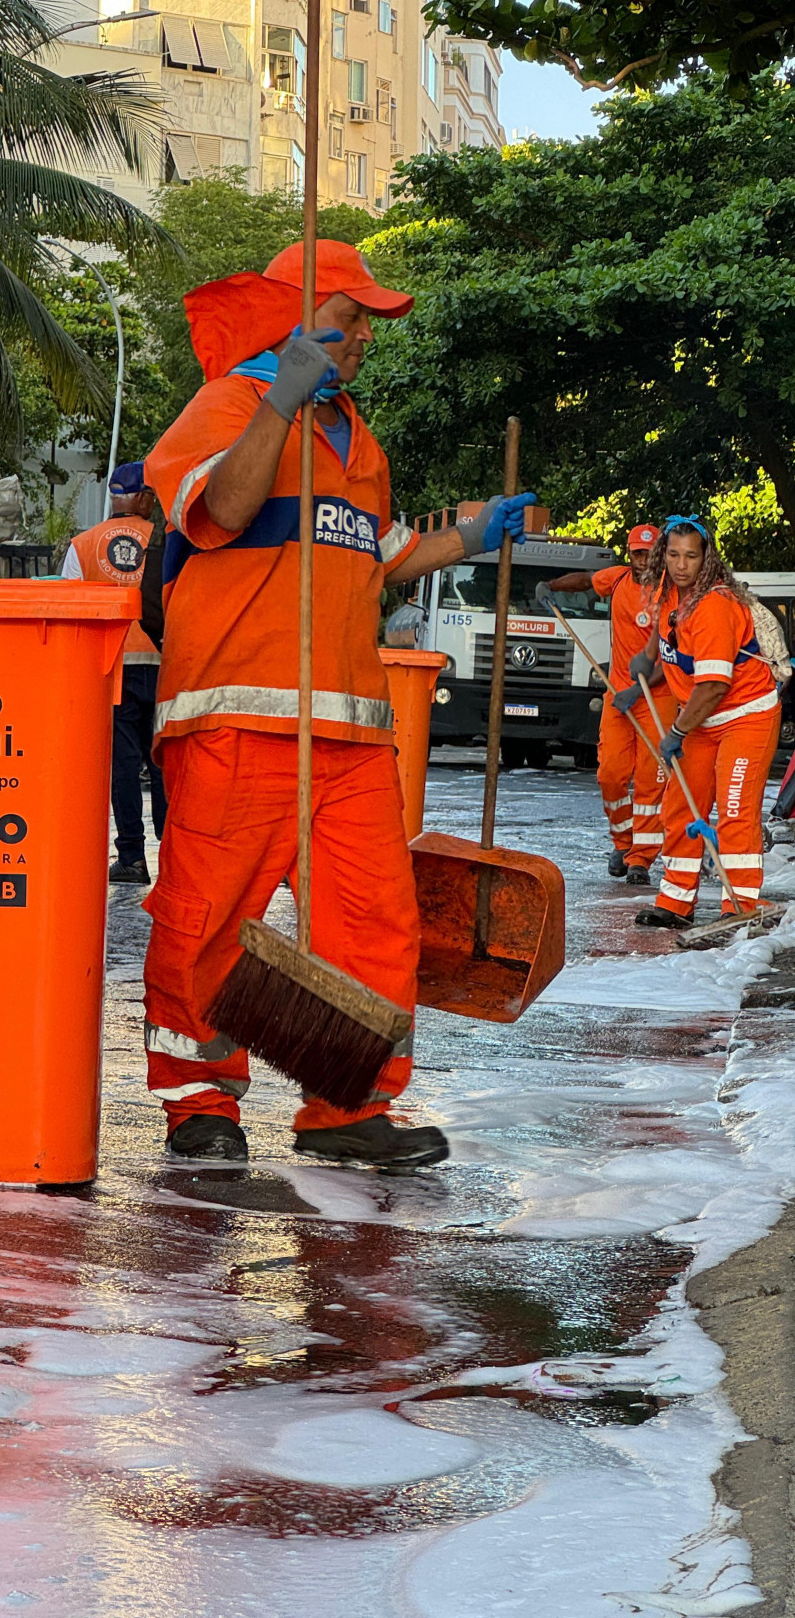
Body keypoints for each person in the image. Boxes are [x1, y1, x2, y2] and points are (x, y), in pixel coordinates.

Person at [140, 239, 537, 1165]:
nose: (364, 336)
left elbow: (386, 556)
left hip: (349, 729)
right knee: (206, 920)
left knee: (374, 923)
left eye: (368, 321)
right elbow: (222, 511)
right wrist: (278, 398)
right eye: (351, 317)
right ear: (298, 319)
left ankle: (347, 1106)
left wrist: (477, 530)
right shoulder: (226, 406)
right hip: (235, 718)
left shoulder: (361, 439)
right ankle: (201, 1102)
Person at [628, 516, 779, 928]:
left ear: (706, 558)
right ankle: (675, 902)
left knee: (734, 811)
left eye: (691, 556)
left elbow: (713, 685)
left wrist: (676, 731)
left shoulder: (714, 606)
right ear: (663, 555)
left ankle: (740, 905)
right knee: (679, 807)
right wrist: (647, 661)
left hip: (744, 716)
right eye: (674, 554)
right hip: (700, 720)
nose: (681, 565)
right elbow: (674, 647)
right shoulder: (669, 595)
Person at [539, 523, 674, 887]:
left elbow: (674, 653)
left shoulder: (671, 592)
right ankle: (623, 842)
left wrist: (643, 687)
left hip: (657, 697)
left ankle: (641, 860)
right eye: (637, 553)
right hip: (618, 695)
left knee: (650, 782)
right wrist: (551, 588)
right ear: (629, 554)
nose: (644, 560)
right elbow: (585, 580)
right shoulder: (616, 581)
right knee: (610, 775)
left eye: (650, 553)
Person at [62, 464, 168, 885]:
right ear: (143, 498)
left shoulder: (82, 545)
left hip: (111, 666)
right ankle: (172, 855)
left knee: (123, 767)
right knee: (162, 764)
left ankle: (132, 858)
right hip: (163, 664)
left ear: (113, 497)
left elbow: (71, 610)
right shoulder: (163, 539)